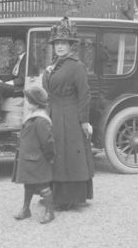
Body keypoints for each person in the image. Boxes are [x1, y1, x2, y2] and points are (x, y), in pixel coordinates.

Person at [42, 17, 94, 210]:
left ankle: (69, 199)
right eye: (56, 43)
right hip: (54, 114)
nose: (59, 46)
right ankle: (55, 195)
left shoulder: (76, 66)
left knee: (68, 155)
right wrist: (48, 73)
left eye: (63, 43)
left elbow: (84, 95)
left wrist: (84, 122)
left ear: (71, 45)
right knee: (56, 154)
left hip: (70, 117)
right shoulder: (55, 65)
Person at [11, 85, 55, 224]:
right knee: (28, 184)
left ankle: (50, 212)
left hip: (38, 160)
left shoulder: (41, 120)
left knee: (43, 185)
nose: (27, 103)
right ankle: (26, 209)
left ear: (36, 104)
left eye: (29, 101)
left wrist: (50, 157)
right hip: (29, 159)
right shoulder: (33, 118)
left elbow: (48, 142)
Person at [0, 36, 27, 126]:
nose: (17, 47)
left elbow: (22, 79)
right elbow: (13, 76)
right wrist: (2, 81)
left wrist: (4, 83)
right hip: (15, 86)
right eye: (15, 45)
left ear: (25, 45)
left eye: (20, 44)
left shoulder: (27, 59)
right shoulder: (18, 60)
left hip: (21, 88)